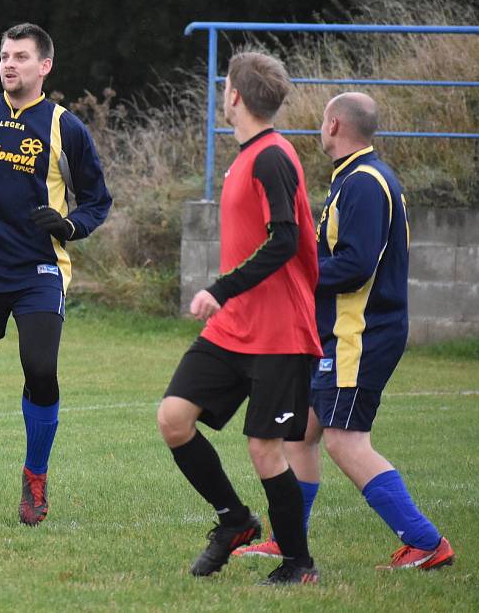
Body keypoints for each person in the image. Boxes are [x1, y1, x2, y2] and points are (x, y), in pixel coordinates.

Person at [234, 92, 455, 569]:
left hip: (361, 334)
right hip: (340, 332)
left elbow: (355, 265)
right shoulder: (352, 180)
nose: (319, 128)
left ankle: (426, 542)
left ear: (333, 125)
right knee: (299, 436)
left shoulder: (364, 184)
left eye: (321, 122)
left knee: (345, 440)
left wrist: (295, 274)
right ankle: (288, 541)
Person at [0, 22, 112, 527]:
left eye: (20, 57)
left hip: (37, 271)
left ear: (44, 66)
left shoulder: (65, 127)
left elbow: (98, 199)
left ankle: (35, 477)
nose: (9, 64)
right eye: (4, 55)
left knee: (40, 369)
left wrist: (70, 224)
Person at [157, 51, 321, 585]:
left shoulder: (272, 156)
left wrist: (219, 289)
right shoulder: (247, 155)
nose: (221, 94)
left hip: (279, 331)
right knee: (174, 419)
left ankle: (299, 563)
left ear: (234, 96)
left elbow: (285, 240)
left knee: (264, 449)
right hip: (234, 328)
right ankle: (234, 521)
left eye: (224, 86)